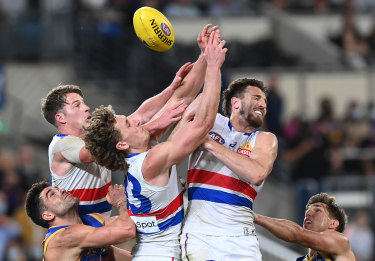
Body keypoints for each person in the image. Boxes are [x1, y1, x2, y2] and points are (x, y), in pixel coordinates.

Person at [83, 30, 227, 261]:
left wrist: (203, 56)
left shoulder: (142, 156)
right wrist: (213, 67)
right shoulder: (150, 162)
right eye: (129, 124)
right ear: (121, 143)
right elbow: (203, 125)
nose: (138, 121)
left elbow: (181, 99)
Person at [40, 61, 193, 216]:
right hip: (78, 229)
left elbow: (140, 115)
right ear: (60, 118)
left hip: (99, 225)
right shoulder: (61, 144)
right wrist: (156, 124)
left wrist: (171, 88)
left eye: (84, 103)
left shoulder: (97, 137)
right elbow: (100, 149)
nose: (86, 107)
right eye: (76, 105)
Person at [181, 78, 278, 260]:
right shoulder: (211, 122)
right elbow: (173, 145)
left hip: (241, 237)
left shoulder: (265, 139)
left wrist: (209, 143)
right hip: (200, 234)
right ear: (235, 102)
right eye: (257, 98)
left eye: (265, 101)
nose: (263, 104)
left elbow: (256, 174)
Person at [25, 181, 136, 260]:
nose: (62, 190)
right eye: (52, 194)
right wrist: (122, 202)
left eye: (58, 189)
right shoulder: (63, 237)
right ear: (48, 215)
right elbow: (128, 230)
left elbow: (135, 224)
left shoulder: (93, 219)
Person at [254, 192, 356, 261]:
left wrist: (255, 217)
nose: (308, 213)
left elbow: (297, 234)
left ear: (333, 224)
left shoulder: (340, 242)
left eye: (317, 210)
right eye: (307, 211)